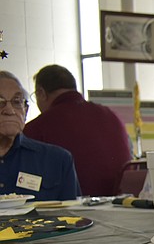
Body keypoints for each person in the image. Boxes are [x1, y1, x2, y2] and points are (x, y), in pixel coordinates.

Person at [24, 64, 131, 196]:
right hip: (121, 202)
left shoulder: (37, 127)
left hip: (73, 205)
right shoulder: (111, 115)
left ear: (41, 93)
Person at [0, 71, 80, 200]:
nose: (10, 110)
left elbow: (73, 211)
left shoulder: (58, 160)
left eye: (17, 101)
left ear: (26, 111)